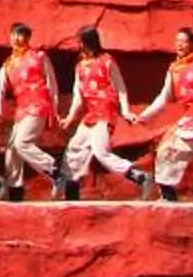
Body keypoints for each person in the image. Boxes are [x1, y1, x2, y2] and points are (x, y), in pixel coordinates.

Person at [61, 28, 153, 200]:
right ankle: (71, 192)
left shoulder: (107, 61)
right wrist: (70, 118)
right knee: (74, 148)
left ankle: (140, 177)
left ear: (89, 42)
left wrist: (125, 111)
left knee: (100, 151)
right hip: (90, 116)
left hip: (105, 113)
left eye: (80, 41)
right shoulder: (80, 67)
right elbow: (78, 97)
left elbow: (120, 87)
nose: (78, 45)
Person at [0, 23, 66, 201]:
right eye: (14, 34)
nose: (17, 38)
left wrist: (54, 110)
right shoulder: (8, 64)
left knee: (21, 142)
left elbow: (51, 84)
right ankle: (15, 191)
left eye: (21, 35)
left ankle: (55, 172)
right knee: (11, 149)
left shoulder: (39, 57)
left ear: (28, 38)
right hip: (22, 111)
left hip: (39, 105)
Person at [145, 28, 193, 202]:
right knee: (166, 151)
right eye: (177, 40)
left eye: (184, 41)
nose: (180, 44)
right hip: (188, 120)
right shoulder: (174, 69)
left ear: (192, 44)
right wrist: (145, 115)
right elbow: (164, 96)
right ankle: (168, 195)